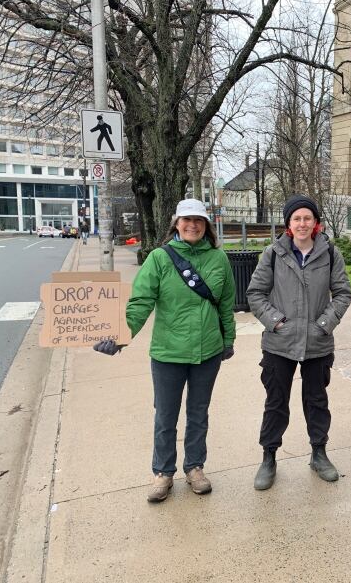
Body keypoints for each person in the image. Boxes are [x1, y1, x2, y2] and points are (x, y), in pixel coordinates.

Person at [93, 198, 236, 503]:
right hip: (168, 353)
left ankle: (195, 467)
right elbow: (141, 302)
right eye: (187, 220)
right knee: (165, 416)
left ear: (206, 225)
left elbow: (226, 304)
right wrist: (120, 336)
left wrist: (228, 341)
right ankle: (163, 472)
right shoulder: (159, 259)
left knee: (198, 414)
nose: (193, 225)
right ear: (176, 224)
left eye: (199, 220)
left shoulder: (218, 259)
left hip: (208, 352)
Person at [246, 195, 351, 490]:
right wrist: (276, 321)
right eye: (297, 219)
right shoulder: (273, 253)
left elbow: (343, 292)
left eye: (307, 218)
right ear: (289, 224)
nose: (302, 223)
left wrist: (324, 324)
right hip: (279, 344)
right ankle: (268, 457)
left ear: (315, 222)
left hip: (317, 343)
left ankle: (319, 453)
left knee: (317, 401)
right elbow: (255, 293)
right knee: (276, 402)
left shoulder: (330, 253)